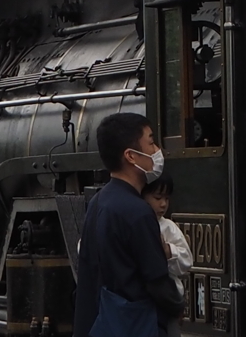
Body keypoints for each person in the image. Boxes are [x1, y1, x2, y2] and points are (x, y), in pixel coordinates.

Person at [73, 114, 183, 337]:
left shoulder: (98, 202)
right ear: (131, 156)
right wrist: (178, 306)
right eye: (151, 143)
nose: (157, 151)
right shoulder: (138, 211)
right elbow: (157, 281)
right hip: (137, 325)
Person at [141, 175, 191, 337]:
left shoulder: (168, 227)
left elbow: (186, 261)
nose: (163, 204)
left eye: (166, 198)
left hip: (167, 301)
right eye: (157, 198)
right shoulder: (133, 221)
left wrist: (169, 251)